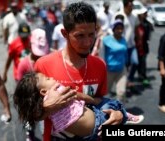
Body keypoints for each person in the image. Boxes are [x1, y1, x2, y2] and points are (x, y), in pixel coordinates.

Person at [34, 2, 125, 141]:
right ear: (65, 33)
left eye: (91, 34)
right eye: (80, 36)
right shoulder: (43, 65)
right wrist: (47, 108)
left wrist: (118, 114)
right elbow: (30, 113)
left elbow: (100, 101)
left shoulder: (99, 65)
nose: (88, 42)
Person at [13, 72, 127, 140]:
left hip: (87, 135)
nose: (52, 78)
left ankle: (124, 115)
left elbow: (33, 115)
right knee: (112, 104)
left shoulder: (39, 106)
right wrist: (94, 100)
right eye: (48, 79)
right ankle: (126, 115)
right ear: (43, 92)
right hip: (97, 119)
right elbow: (78, 95)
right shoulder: (57, 90)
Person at [103, 19, 144, 124]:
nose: (120, 30)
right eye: (117, 28)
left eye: (121, 28)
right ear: (113, 29)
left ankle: (119, 115)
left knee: (121, 93)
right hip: (109, 71)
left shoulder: (124, 40)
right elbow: (101, 54)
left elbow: (125, 54)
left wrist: (127, 65)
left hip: (121, 70)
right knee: (104, 93)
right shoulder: (106, 40)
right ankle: (103, 113)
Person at [135, 8, 154, 86]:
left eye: (146, 13)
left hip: (143, 46)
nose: (145, 15)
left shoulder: (147, 24)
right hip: (135, 46)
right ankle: (138, 75)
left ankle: (143, 76)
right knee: (136, 62)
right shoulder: (135, 23)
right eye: (144, 13)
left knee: (143, 62)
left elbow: (149, 33)